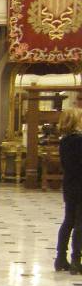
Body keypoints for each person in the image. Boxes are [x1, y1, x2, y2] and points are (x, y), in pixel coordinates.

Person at [56, 108, 82, 274]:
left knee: (68, 221)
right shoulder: (80, 140)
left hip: (69, 184)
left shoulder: (64, 141)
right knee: (80, 224)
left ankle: (60, 258)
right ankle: (76, 260)